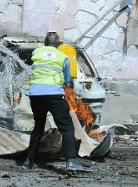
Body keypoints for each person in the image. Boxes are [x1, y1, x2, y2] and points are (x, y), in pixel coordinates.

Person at [22, 32, 92, 173]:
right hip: (54, 94)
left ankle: (29, 161)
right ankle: (71, 161)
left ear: (45, 44)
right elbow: (67, 81)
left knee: (38, 127)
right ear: (59, 45)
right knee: (66, 126)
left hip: (35, 95)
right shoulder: (63, 57)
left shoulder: (36, 53)